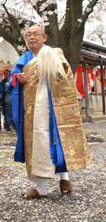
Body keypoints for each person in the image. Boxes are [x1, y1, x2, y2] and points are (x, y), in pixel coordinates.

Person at [7, 25, 91, 199]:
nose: (31, 37)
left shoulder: (54, 53)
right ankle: (40, 187)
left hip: (53, 107)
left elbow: (65, 74)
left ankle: (64, 177)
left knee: (58, 140)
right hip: (31, 112)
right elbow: (12, 82)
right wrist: (18, 80)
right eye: (28, 34)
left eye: (35, 34)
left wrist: (52, 68)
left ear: (44, 37)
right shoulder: (24, 58)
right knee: (35, 144)